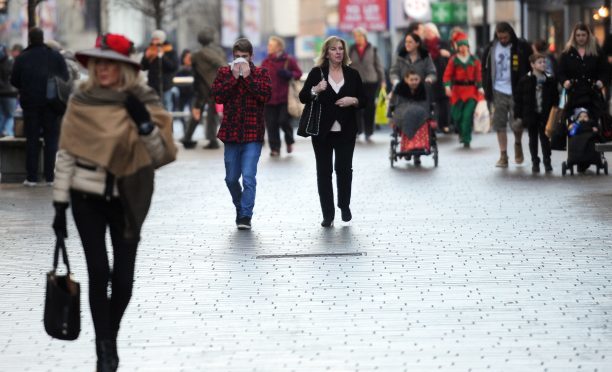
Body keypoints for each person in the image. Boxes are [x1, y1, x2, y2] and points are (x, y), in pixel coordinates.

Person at [52, 33, 177, 371]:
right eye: (98, 61)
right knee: (99, 273)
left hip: (128, 197)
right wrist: (59, 205)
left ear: (125, 68)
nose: (103, 67)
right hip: (85, 196)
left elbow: (162, 155)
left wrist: (146, 124)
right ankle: (104, 346)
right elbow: (66, 153)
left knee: (123, 280)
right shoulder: (82, 99)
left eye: (111, 62)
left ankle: (110, 331)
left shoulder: (144, 99)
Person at [298, 36, 365, 227]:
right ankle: (327, 214)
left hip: (346, 130)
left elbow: (364, 99)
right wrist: (315, 89)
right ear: (326, 53)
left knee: (344, 170)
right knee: (324, 172)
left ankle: (344, 205)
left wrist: (353, 100)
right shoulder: (316, 73)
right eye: (334, 49)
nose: (338, 52)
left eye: (341, 49)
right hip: (322, 132)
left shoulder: (352, 74)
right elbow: (303, 97)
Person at [211, 38, 271, 230]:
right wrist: (234, 78)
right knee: (230, 178)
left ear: (251, 56)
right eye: (237, 57)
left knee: (248, 177)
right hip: (231, 133)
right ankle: (240, 206)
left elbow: (265, 96)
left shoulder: (260, 73)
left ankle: (245, 215)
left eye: (244, 57)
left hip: (253, 133)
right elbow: (218, 96)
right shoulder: (224, 73)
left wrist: (248, 77)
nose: (240, 60)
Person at [10, 27, 69, 186]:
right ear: (42, 38)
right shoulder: (55, 56)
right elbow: (65, 77)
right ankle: (50, 177)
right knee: (51, 140)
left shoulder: (22, 57)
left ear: (29, 39)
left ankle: (32, 178)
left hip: (31, 105)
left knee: (32, 140)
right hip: (52, 104)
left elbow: (14, 80)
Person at [482, 22, 532, 168]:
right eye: (500, 37)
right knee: (499, 123)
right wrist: (487, 89)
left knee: (517, 123)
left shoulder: (521, 46)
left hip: (516, 90)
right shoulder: (491, 48)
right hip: (498, 91)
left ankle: (517, 143)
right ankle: (503, 154)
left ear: (510, 34)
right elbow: (484, 69)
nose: (503, 40)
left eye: (505, 37)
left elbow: (529, 66)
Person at [182, 27, 226, 149]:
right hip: (218, 86)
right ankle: (212, 140)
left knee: (196, 112)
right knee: (213, 115)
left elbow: (193, 71)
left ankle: (188, 137)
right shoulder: (219, 51)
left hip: (203, 88)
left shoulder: (197, 54)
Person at [514, 53, 558, 173]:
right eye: (540, 62)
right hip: (531, 114)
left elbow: (555, 97)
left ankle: (547, 161)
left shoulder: (550, 79)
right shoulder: (525, 80)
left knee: (545, 139)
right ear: (532, 65)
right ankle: (535, 161)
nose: (543, 64)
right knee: (532, 139)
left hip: (545, 114)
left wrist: (555, 111)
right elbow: (518, 100)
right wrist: (518, 115)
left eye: (544, 62)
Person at [558, 23, 607, 123]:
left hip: (592, 92)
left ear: (588, 36)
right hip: (573, 93)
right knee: (567, 124)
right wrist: (564, 81)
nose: (581, 38)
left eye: (583, 35)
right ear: (574, 36)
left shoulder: (596, 52)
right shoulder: (567, 53)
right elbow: (560, 72)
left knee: (596, 122)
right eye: (578, 35)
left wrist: (602, 81)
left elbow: (605, 70)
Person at [261, 35, 302, 156]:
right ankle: (275, 149)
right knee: (271, 124)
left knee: (283, 121)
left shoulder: (288, 60)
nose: (268, 47)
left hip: (285, 98)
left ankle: (289, 140)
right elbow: (259, 77)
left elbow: (298, 73)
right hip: (269, 99)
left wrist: (289, 73)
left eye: (271, 45)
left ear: (278, 47)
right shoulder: (266, 61)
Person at [443, 36, 483, 148]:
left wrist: (480, 87)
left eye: (465, 46)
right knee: (456, 116)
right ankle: (461, 133)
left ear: (468, 47)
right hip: (457, 92)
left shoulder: (474, 60)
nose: (463, 49)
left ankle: (466, 139)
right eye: (460, 46)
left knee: (467, 115)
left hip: (471, 92)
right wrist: (447, 86)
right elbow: (447, 75)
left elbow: (479, 75)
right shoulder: (454, 60)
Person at [348, 27, 385, 142]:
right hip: (356, 82)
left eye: (359, 36)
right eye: (355, 36)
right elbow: (347, 65)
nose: (357, 38)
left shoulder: (372, 49)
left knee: (369, 106)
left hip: (371, 81)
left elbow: (378, 66)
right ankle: (358, 130)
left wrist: (382, 80)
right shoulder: (351, 49)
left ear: (364, 37)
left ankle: (369, 131)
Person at [423, 22, 452, 133]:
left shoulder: (443, 43)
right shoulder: (422, 45)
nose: (428, 33)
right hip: (428, 76)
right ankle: (430, 124)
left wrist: (447, 54)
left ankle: (444, 124)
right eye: (425, 32)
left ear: (435, 32)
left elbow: (452, 57)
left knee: (443, 101)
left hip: (442, 75)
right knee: (429, 101)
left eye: (430, 31)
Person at [140, 30, 178, 110]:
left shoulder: (170, 51)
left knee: (166, 106)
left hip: (166, 85)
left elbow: (173, 67)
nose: (155, 41)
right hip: (153, 85)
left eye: (157, 39)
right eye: (153, 39)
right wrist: (146, 58)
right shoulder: (149, 50)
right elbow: (143, 67)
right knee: (153, 107)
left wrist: (162, 57)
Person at [173, 49, 194, 133]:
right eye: (187, 57)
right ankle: (185, 130)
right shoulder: (179, 70)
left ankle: (189, 131)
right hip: (182, 94)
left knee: (192, 112)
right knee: (181, 112)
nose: (189, 59)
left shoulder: (194, 69)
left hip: (192, 94)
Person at [0, 43, 17, 137]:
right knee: (10, 115)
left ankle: (1, 132)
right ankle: (8, 132)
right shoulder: (10, 61)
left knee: (1, 115)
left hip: (0, 93)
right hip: (10, 93)